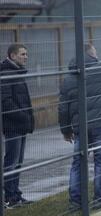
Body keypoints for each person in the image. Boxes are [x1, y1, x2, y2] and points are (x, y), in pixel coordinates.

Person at [58, 44, 101, 210]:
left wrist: (66, 130)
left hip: (80, 128)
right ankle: (99, 199)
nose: (97, 55)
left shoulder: (69, 77)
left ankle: (75, 202)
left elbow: (63, 107)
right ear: (90, 53)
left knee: (78, 163)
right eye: (95, 52)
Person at [1, 44, 34, 208]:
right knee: (11, 162)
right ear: (13, 56)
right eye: (22, 54)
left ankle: (15, 195)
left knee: (18, 162)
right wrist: (23, 116)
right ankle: (9, 198)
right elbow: (5, 102)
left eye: (26, 54)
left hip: (20, 124)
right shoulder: (6, 73)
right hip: (13, 124)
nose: (26, 57)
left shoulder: (17, 72)